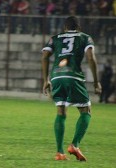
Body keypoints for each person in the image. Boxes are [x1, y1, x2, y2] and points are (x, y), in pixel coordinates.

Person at [41, 16, 102, 161]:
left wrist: (45, 80)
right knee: (86, 110)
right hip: (73, 75)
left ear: (65, 28)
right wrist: (96, 82)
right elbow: (91, 58)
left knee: (61, 111)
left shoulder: (55, 38)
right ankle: (74, 145)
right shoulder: (85, 38)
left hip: (56, 76)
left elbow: (44, 57)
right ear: (79, 27)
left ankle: (59, 153)